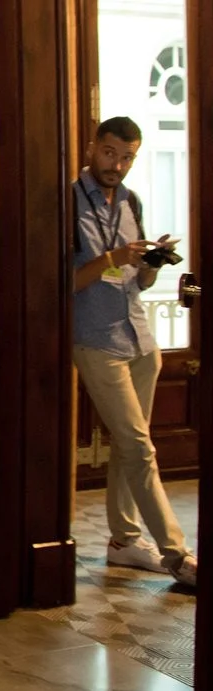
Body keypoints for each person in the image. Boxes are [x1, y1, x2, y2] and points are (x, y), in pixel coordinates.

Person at [71, 116, 197, 587]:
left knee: (131, 446)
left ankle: (123, 540)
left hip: (140, 338)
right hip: (95, 338)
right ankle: (176, 552)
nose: (117, 165)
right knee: (139, 447)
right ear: (92, 148)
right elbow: (64, 281)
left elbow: (138, 282)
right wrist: (112, 258)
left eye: (126, 157)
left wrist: (150, 264)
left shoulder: (131, 201)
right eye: (109, 153)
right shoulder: (68, 200)